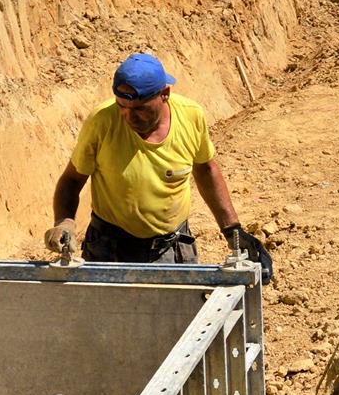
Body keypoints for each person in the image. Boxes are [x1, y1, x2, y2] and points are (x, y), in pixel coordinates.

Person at [46, 53, 272, 273]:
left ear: (165, 94)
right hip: (110, 247)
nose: (129, 117)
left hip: (173, 248)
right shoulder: (102, 122)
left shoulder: (191, 116)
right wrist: (64, 222)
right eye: (121, 106)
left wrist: (233, 230)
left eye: (139, 109)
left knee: (180, 311)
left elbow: (205, 169)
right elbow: (72, 179)